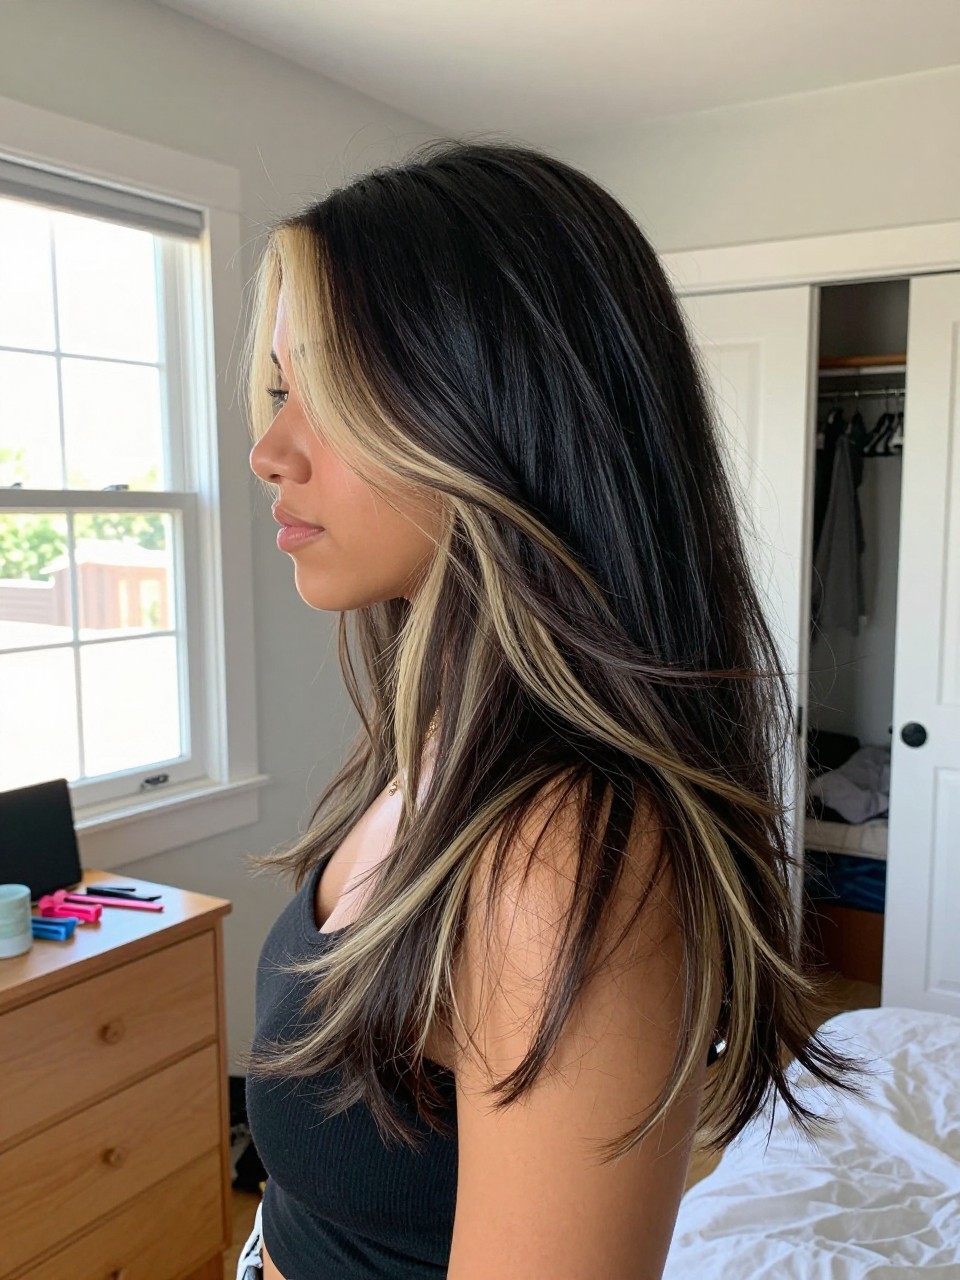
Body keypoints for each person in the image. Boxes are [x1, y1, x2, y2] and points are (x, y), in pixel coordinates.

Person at [238, 139, 868, 1280]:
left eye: (329, 389)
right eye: (283, 390)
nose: (269, 449)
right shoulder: (440, 743)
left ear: (501, 412)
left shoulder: (564, 854)